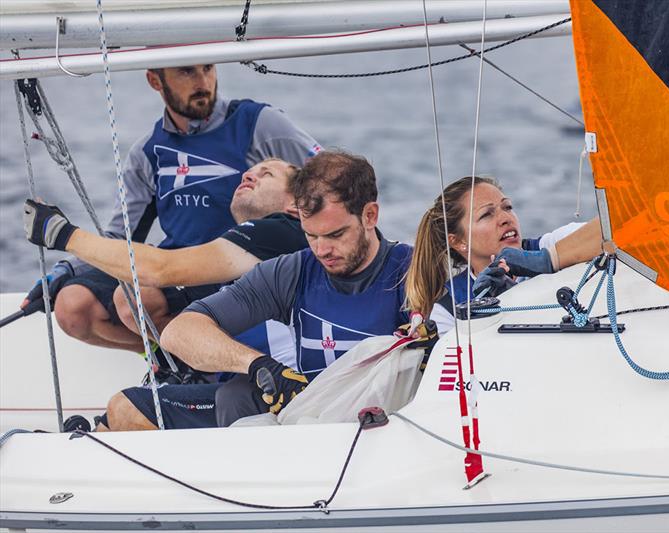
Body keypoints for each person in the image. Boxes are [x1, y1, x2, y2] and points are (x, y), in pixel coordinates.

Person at [100, 150, 420, 431]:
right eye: (311, 235)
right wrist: (257, 365)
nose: (322, 250)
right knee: (234, 395)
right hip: (308, 426)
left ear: (370, 216)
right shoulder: (291, 270)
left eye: (335, 234)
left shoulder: (414, 268)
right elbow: (179, 333)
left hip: (384, 430)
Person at [21, 64, 321, 353]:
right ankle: (171, 360)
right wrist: (65, 270)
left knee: (137, 299)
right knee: (72, 305)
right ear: (155, 81)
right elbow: (122, 236)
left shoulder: (259, 123)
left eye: (207, 68)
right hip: (175, 267)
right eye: (186, 71)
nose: (203, 81)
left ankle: (204, 361)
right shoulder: (147, 153)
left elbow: (330, 182)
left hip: (237, 266)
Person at [23, 158, 308, 371]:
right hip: (242, 344)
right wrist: (73, 270)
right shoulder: (260, 238)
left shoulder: (281, 230)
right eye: (249, 171)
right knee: (78, 304)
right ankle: (170, 359)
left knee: (122, 410)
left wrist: (62, 234)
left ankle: (186, 365)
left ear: (295, 206)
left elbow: (159, 269)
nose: (248, 175)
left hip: (263, 367)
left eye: (266, 173)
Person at [405, 175, 602, 326]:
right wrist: (498, 309)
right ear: (458, 241)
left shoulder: (550, 245)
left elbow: (618, 229)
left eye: (507, 207)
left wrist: (548, 260)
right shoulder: (448, 310)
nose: (506, 218)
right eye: (487, 215)